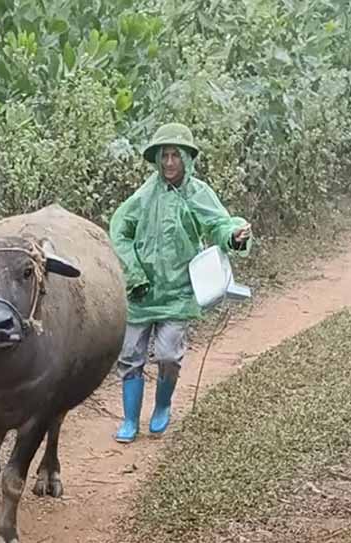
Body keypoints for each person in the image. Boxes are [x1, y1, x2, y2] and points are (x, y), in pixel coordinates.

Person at [108, 122, 253, 443]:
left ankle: (162, 406)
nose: (169, 162)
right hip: (141, 291)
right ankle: (130, 419)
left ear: (187, 158)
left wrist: (234, 234)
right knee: (130, 355)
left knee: (168, 356)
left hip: (179, 291)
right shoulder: (144, 195)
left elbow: (219, 223)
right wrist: (133, 273)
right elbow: (119, 230)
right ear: (157, 159)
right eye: (164, 155)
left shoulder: (197, 193)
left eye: (175, 155)